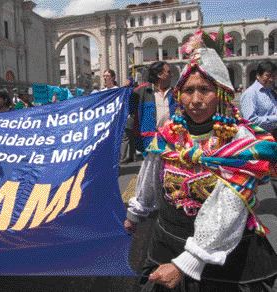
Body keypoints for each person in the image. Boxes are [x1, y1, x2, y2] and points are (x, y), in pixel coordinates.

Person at [125, 29, 277, 291]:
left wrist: (186, 263)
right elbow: (149, 177)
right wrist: (135, 214)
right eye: (189, 90)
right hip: (168, 243)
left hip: (223, 257)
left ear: (220, 93)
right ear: (179, 94)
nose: (195, 100)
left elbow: (228, 207)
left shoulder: (239, 139)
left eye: (205, 90)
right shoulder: (169, 133)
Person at [131, 61, 177, 155]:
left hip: (171, 142)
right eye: (168, 72)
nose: (171, 75)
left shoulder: (175, 93)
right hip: (150, 143)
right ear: (160, 75)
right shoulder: (142, 91)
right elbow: (127, 105)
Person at [240, 61, 277, 135]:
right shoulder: (250, 93)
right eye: (267, 75)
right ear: (258, 76)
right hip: (259, 139)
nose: (271, 79)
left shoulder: (270, 92)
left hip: (273, 136)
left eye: (273, 76)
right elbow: (250, 121)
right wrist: (275, 118)